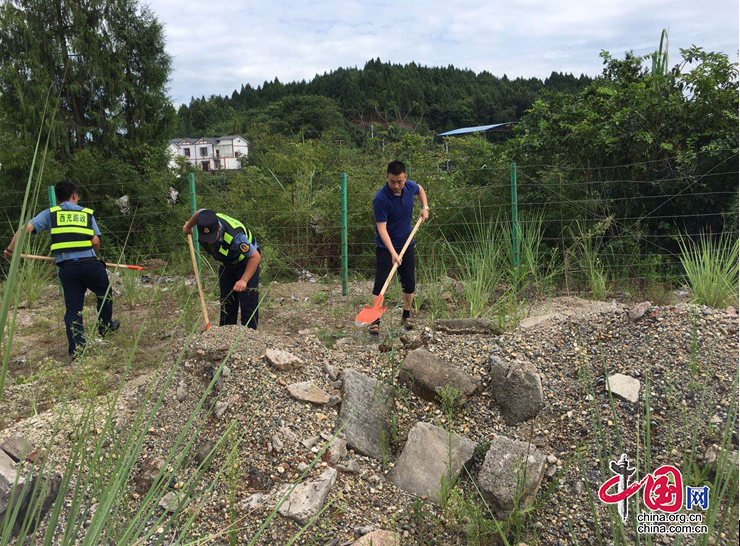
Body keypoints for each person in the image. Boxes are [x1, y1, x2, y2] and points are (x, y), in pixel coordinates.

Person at [4, 181, 119, 358]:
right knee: (105, 294)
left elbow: (24, 228)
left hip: (68, 268)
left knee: (74, 309)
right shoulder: (86, 213)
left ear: (58, 198)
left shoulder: (50, 214)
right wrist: (94, 255)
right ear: (74, 195)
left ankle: (77, 350)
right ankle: (105, 327)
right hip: (90, 264)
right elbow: (95, 242)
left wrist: (10, 250)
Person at [370, 160, 429, 334]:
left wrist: (424, 207)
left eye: (400, 181)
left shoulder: (409, 187)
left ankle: (407, 315)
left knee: (409, 282)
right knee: (381, 284)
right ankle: (375, 320)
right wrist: (393, 253)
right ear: (387, 178)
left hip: (407, 243)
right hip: (385, 247)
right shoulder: (381, 199)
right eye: (392, 181)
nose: (396, 185)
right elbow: (382, 229)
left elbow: (420, 189)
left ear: (405, 178)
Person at [182, 209, 261, 328]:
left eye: (212, 237)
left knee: (248, 302)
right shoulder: (205, 219)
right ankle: (225, 335)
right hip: (227, 263)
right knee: (227, 301)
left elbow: (255, 257)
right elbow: (200, 212)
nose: (209, 240)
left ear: (218, 228)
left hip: (246, 262)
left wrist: (243, 280)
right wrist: (188, 227)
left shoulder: (236, 237)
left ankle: (249, 335)